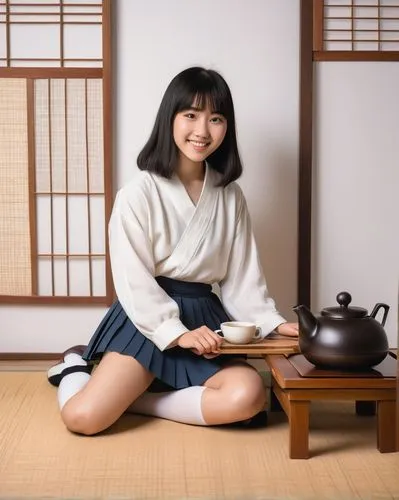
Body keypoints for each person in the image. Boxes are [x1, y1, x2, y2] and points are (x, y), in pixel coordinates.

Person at [47, 66, 298, 435]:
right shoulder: (138, 194)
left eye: (215, 118)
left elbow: (243, 276)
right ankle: (74, 365)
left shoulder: (230, 196)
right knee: (83, 419)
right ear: (171, 118)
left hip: (206, 319)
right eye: (191, 115)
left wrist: (272, 323)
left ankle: (136, 401)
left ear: (226, 127)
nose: (202, 131)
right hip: (146, 318)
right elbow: (132, 278)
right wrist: (175, 332)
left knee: (247, 397)